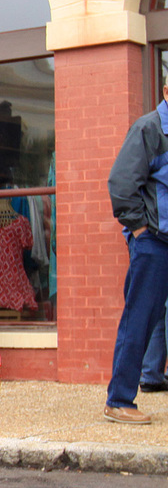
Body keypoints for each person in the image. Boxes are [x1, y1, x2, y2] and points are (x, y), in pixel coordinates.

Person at [104, 84, 168, 424]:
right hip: (154, 243)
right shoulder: (149, 129)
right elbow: (121, 183)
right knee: (140, 319)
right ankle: (119, 400)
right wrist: (140, 230)